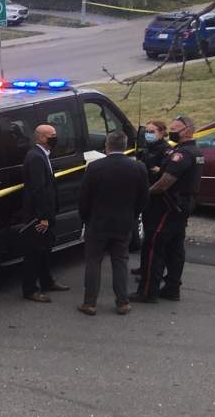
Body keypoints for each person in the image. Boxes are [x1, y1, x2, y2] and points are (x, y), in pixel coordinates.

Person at [132, 114, 204, 302]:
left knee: (153, 246)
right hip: (182, 205)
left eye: (174, 129)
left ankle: (147, 291)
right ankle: (172, 287)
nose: (171, 132)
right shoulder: (195, 151)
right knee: (175, 248)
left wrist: (146, 193)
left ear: (187, 131)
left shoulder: (182, 154)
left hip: (167, 206)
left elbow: (166, 182)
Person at [78, 130, 149, 315]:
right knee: (120, 262)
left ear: (107, 145)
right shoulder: (138, 167)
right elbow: (143, 198)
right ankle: (122, 302)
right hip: (124, 222)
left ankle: (90, 303)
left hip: (98, 222)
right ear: (124, 146)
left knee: (93, 261)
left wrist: (85, 218)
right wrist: (133, 215)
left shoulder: (95, 167)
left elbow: (84, 198)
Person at [20, 123, 70, 302]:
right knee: (34, 252)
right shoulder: (35, 157)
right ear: (41, 137)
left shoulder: (43, 155)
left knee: (45, 250)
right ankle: (30, 289)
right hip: (38, 216)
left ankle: (47, 281)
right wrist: (43, 217)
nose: (55, 138)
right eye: (52, 135)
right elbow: (38, 190)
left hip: (46, 213)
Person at [132, 120, 171, 280]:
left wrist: (156, 170)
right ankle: (144, 267)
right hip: (145, 194)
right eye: (146, 131)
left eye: (152, 131)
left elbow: (165, 173)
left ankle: (154, 272)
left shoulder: (166, 150)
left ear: (161, 132)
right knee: (147, 237)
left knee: (155, 238)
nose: (148, 134)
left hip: (157, 198)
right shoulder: (146, 148)